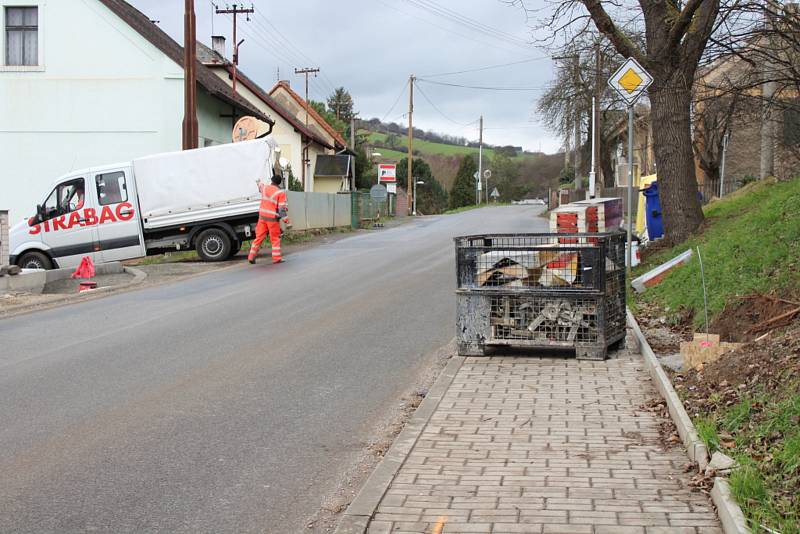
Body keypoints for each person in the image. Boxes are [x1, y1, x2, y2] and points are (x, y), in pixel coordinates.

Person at [248, 174, 289, 264]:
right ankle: (276, 258)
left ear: (272, 181)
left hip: (262, 217)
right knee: (275, 238)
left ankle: (251, 257)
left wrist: (258, 182)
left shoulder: (265, 188)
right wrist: (286, 221)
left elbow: (260, 187)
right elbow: (282, 209)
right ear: (279, 182)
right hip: (272, 219)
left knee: (259, 237)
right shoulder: (280, 193)